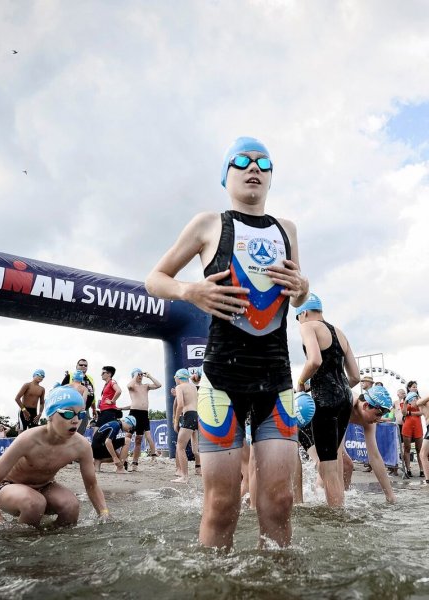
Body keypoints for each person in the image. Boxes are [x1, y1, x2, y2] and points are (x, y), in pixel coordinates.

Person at [145, 136, 309, 549]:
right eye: (241, 161)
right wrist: (190, 292)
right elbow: (154, 280)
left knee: (280, 500)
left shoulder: (286, 229)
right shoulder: (208, 224)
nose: (253, 167)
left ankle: (276, 587)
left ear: (270, 177)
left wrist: (304, 287)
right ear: (226, 175)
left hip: (276, 380)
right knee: (221, 504)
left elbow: (296, 294)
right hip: (221, 382)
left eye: (263, 163)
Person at [0, 386, 109, 526]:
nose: (76, 420)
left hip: (46, 486)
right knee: (35, 503)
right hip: (9, 486)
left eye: (81, 414)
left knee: (71, 506)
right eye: (68, 413)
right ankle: (17, 542)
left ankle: (50, 543)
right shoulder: (28, 439)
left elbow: (92, 485)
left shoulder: (81, 445)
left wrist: (104, 513)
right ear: (51, 415)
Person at [293, 292, 360, 507]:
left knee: (328, 466)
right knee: (336, 459)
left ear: (303, 313)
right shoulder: (341, 333)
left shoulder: (308, 327)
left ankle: (337, 516)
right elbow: (355, 377)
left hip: (325, 401)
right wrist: (337, 391)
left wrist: (301, 383)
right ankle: (339, 505)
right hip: (345, 399)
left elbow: (314, 360)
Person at [127, 368, 162, 471]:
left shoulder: (146, 386)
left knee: (139, 439)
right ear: (134, 376)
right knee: (128, 437)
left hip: (143, 414)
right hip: (134, 413)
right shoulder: (132, 386)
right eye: (138, 374)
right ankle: (123, 460)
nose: (140, 375)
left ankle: (135, 463)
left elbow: (159, 385)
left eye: (141, 374)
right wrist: (135, 376)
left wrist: (150, 376)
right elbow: (129, 386)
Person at [172, 368, 199, 483]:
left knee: (180, 447)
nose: (175, 380)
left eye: (175, 378)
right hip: (196, 415)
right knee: (195, 449)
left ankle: (184, 476)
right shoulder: (193, 387)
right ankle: (200, 470)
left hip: (188, 415)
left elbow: (180, 405)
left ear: (178, 378)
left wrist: (176, 421)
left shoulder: (179, 387)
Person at [61, 359, 97, 428]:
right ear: (76, 366)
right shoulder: (70, 375)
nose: (83, 366)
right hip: (70, 410)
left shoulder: (90, 378)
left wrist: (94, 409)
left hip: (85, 410)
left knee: (81, 430)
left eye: (85, 365)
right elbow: (61, 391)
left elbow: (92, 394)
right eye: (81, 365)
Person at [400, 384, 423, 479]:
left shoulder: (420, 399)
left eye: (416, 386)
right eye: (413, 386)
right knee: (407, 448)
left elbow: (421, 412)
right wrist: (406, 402)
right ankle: (408, 469)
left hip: (417, 425)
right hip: (408, 425)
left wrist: (410, 413)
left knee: (419, 449)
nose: (415, 388)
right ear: (409, 388)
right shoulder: (405, 400)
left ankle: (422, 470)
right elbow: (403, 412)